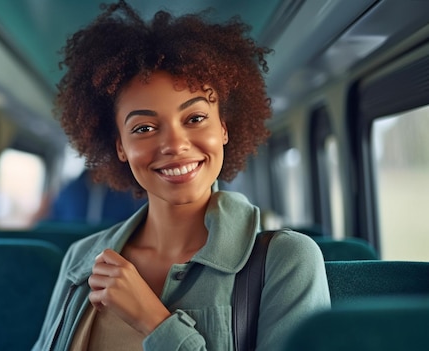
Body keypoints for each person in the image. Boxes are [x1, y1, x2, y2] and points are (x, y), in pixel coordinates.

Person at [33, 1, 331, 350]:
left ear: (223, 127)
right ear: (120, 147)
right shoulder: (81, 259)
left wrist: (153, 321)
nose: (174, 144)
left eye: (195, 119)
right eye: (144, 127)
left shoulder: (286, 260)